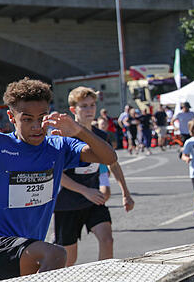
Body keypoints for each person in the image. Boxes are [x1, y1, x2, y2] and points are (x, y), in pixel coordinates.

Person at [0, 78, 117, 279]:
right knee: (55, 253)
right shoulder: (2, 145)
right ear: (11, 117)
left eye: (41, 118)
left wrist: (79, 131)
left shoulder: (58, 147)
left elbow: (109, 157)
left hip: (27, 245)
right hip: (4, 242)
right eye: (27, 119)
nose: (37, 126)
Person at [53, 87, 134, 267]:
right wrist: (85, 191)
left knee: (107, 240)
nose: (90, 110)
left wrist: (125, 193)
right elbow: (58, 175)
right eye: (84, 106)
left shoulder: (100, 136)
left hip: (93, 201)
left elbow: (113, 163)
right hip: (67, 204)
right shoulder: (62, 138)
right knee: (68, 259)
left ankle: (103, 276)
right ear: (73, 110)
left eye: (92, 105)